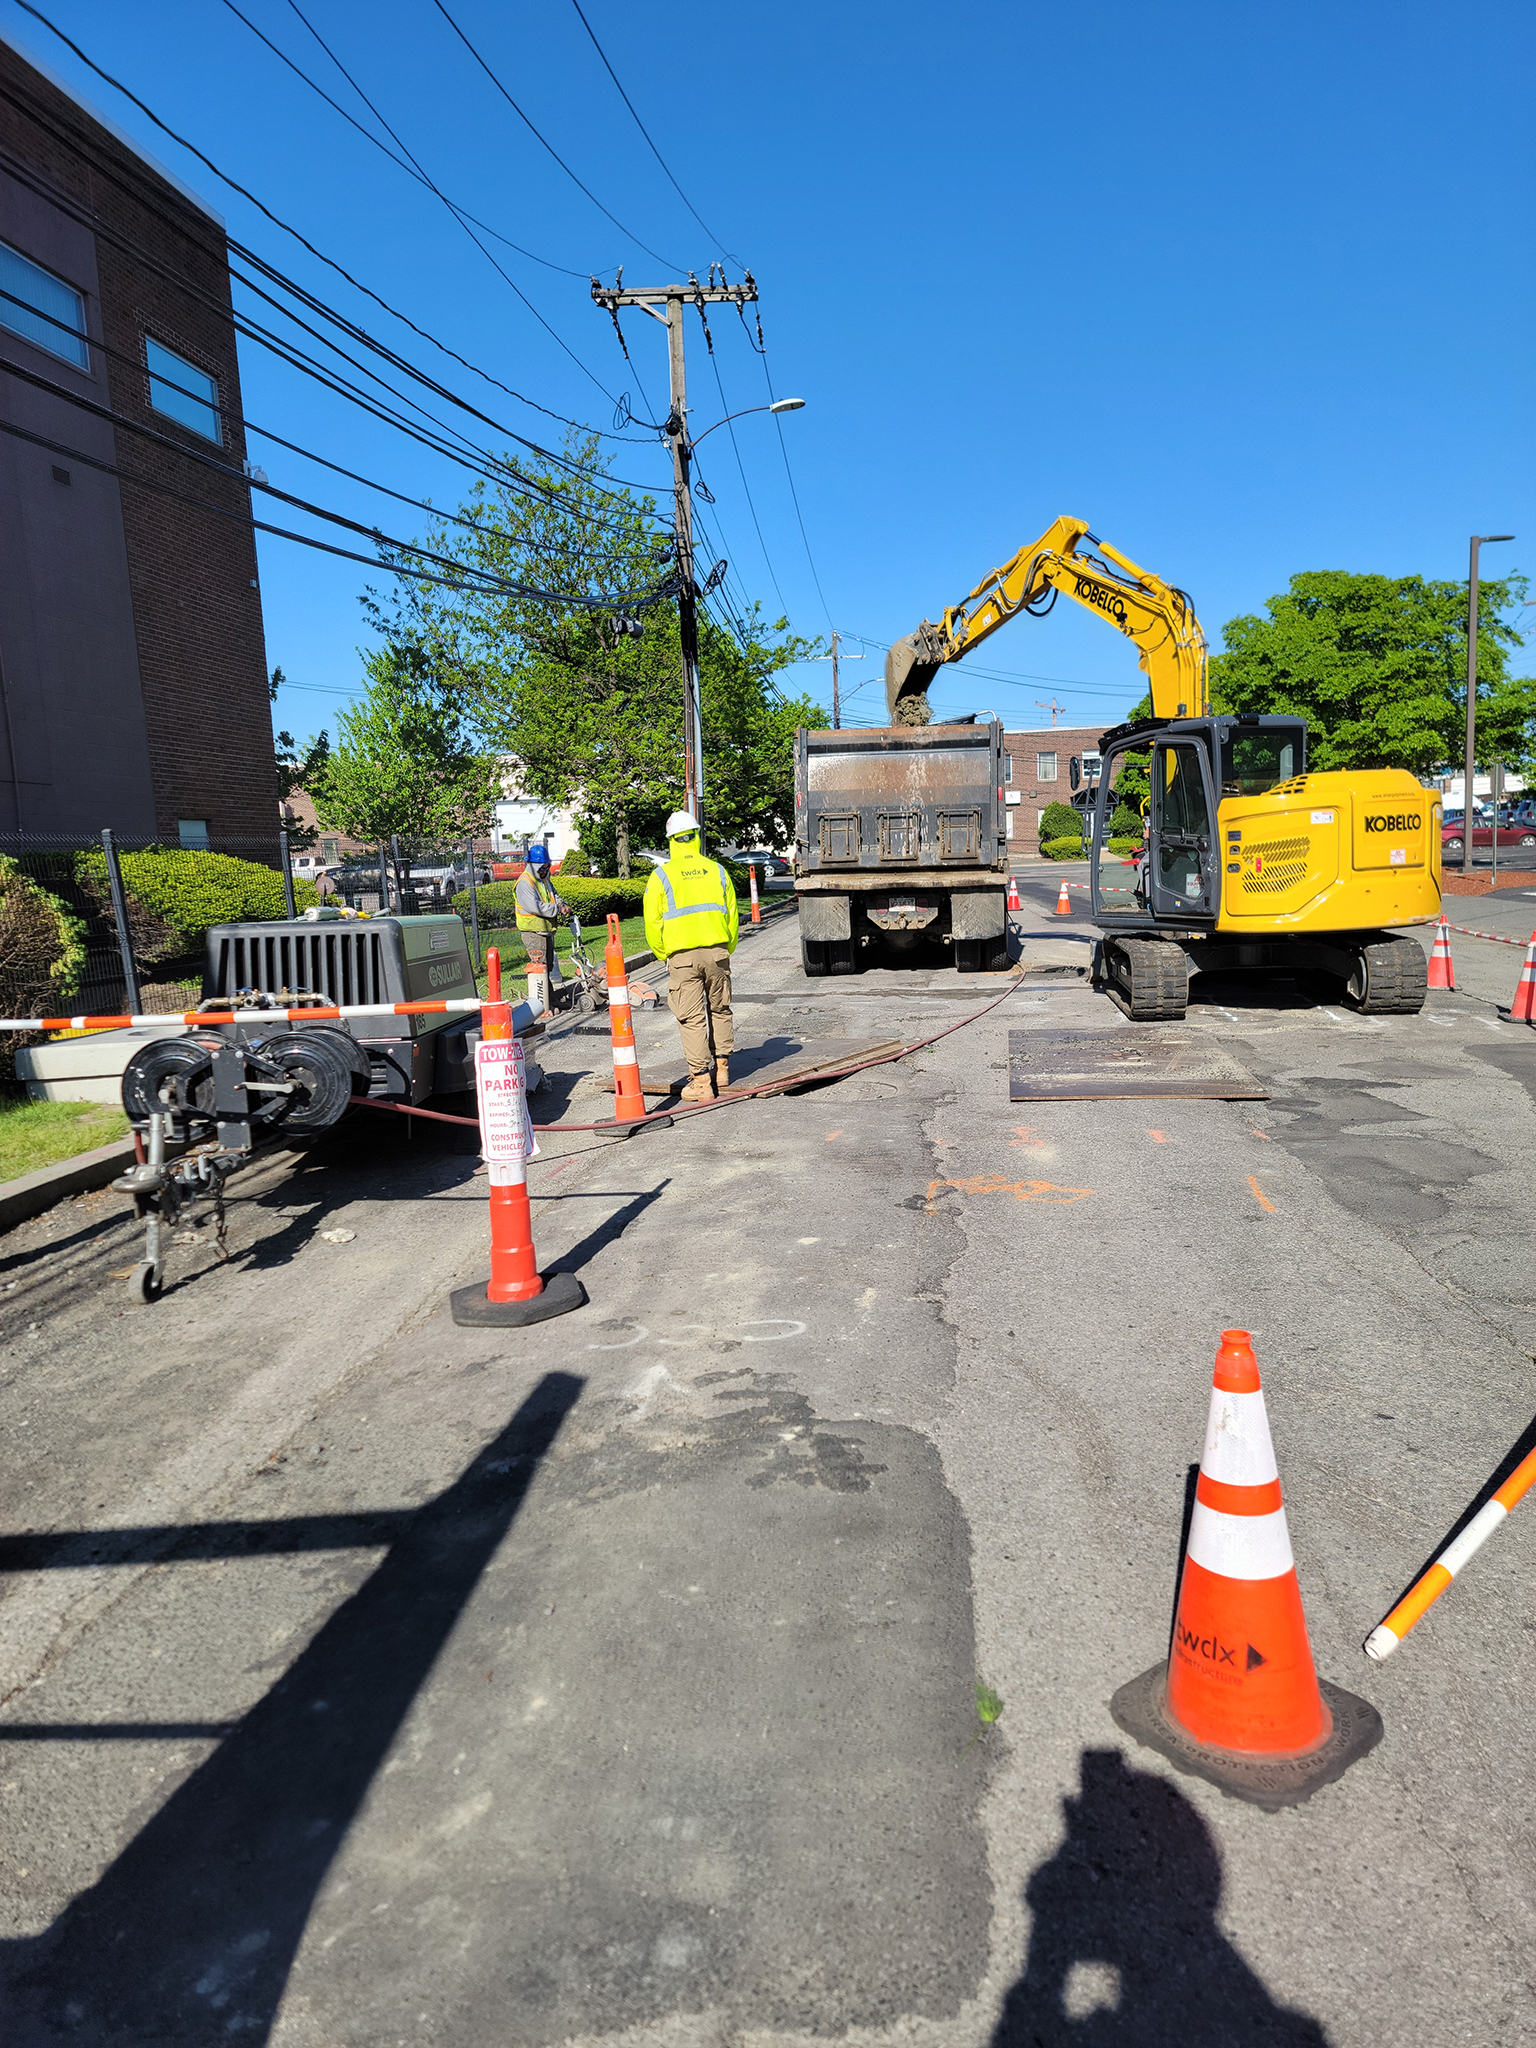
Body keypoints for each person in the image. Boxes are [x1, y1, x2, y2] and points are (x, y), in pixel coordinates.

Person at [643, 810, 739, 1101]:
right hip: (717, 952)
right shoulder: (717, 871)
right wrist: (727, 948)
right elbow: (732, 914)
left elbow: (652, 922)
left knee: (692, 1018)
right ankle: (722, 1071)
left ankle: (701, 1082)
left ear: (671, 840)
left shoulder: (661, 876)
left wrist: (663, 953)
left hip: (682, 958)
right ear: (696, 836)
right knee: (720, 1009)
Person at [514, 844, 568, 990]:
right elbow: (535, 907)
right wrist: (557, 909)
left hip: (545, 930)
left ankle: (550, 998)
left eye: (547, 867)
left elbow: (553, 895)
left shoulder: (544, 879)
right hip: (533, 932)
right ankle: (542, 1001)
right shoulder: (525, 883)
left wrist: (561, 903)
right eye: (542, 868)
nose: (545, 871)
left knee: (547, 967)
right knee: (539, 968)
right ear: (532, 865)